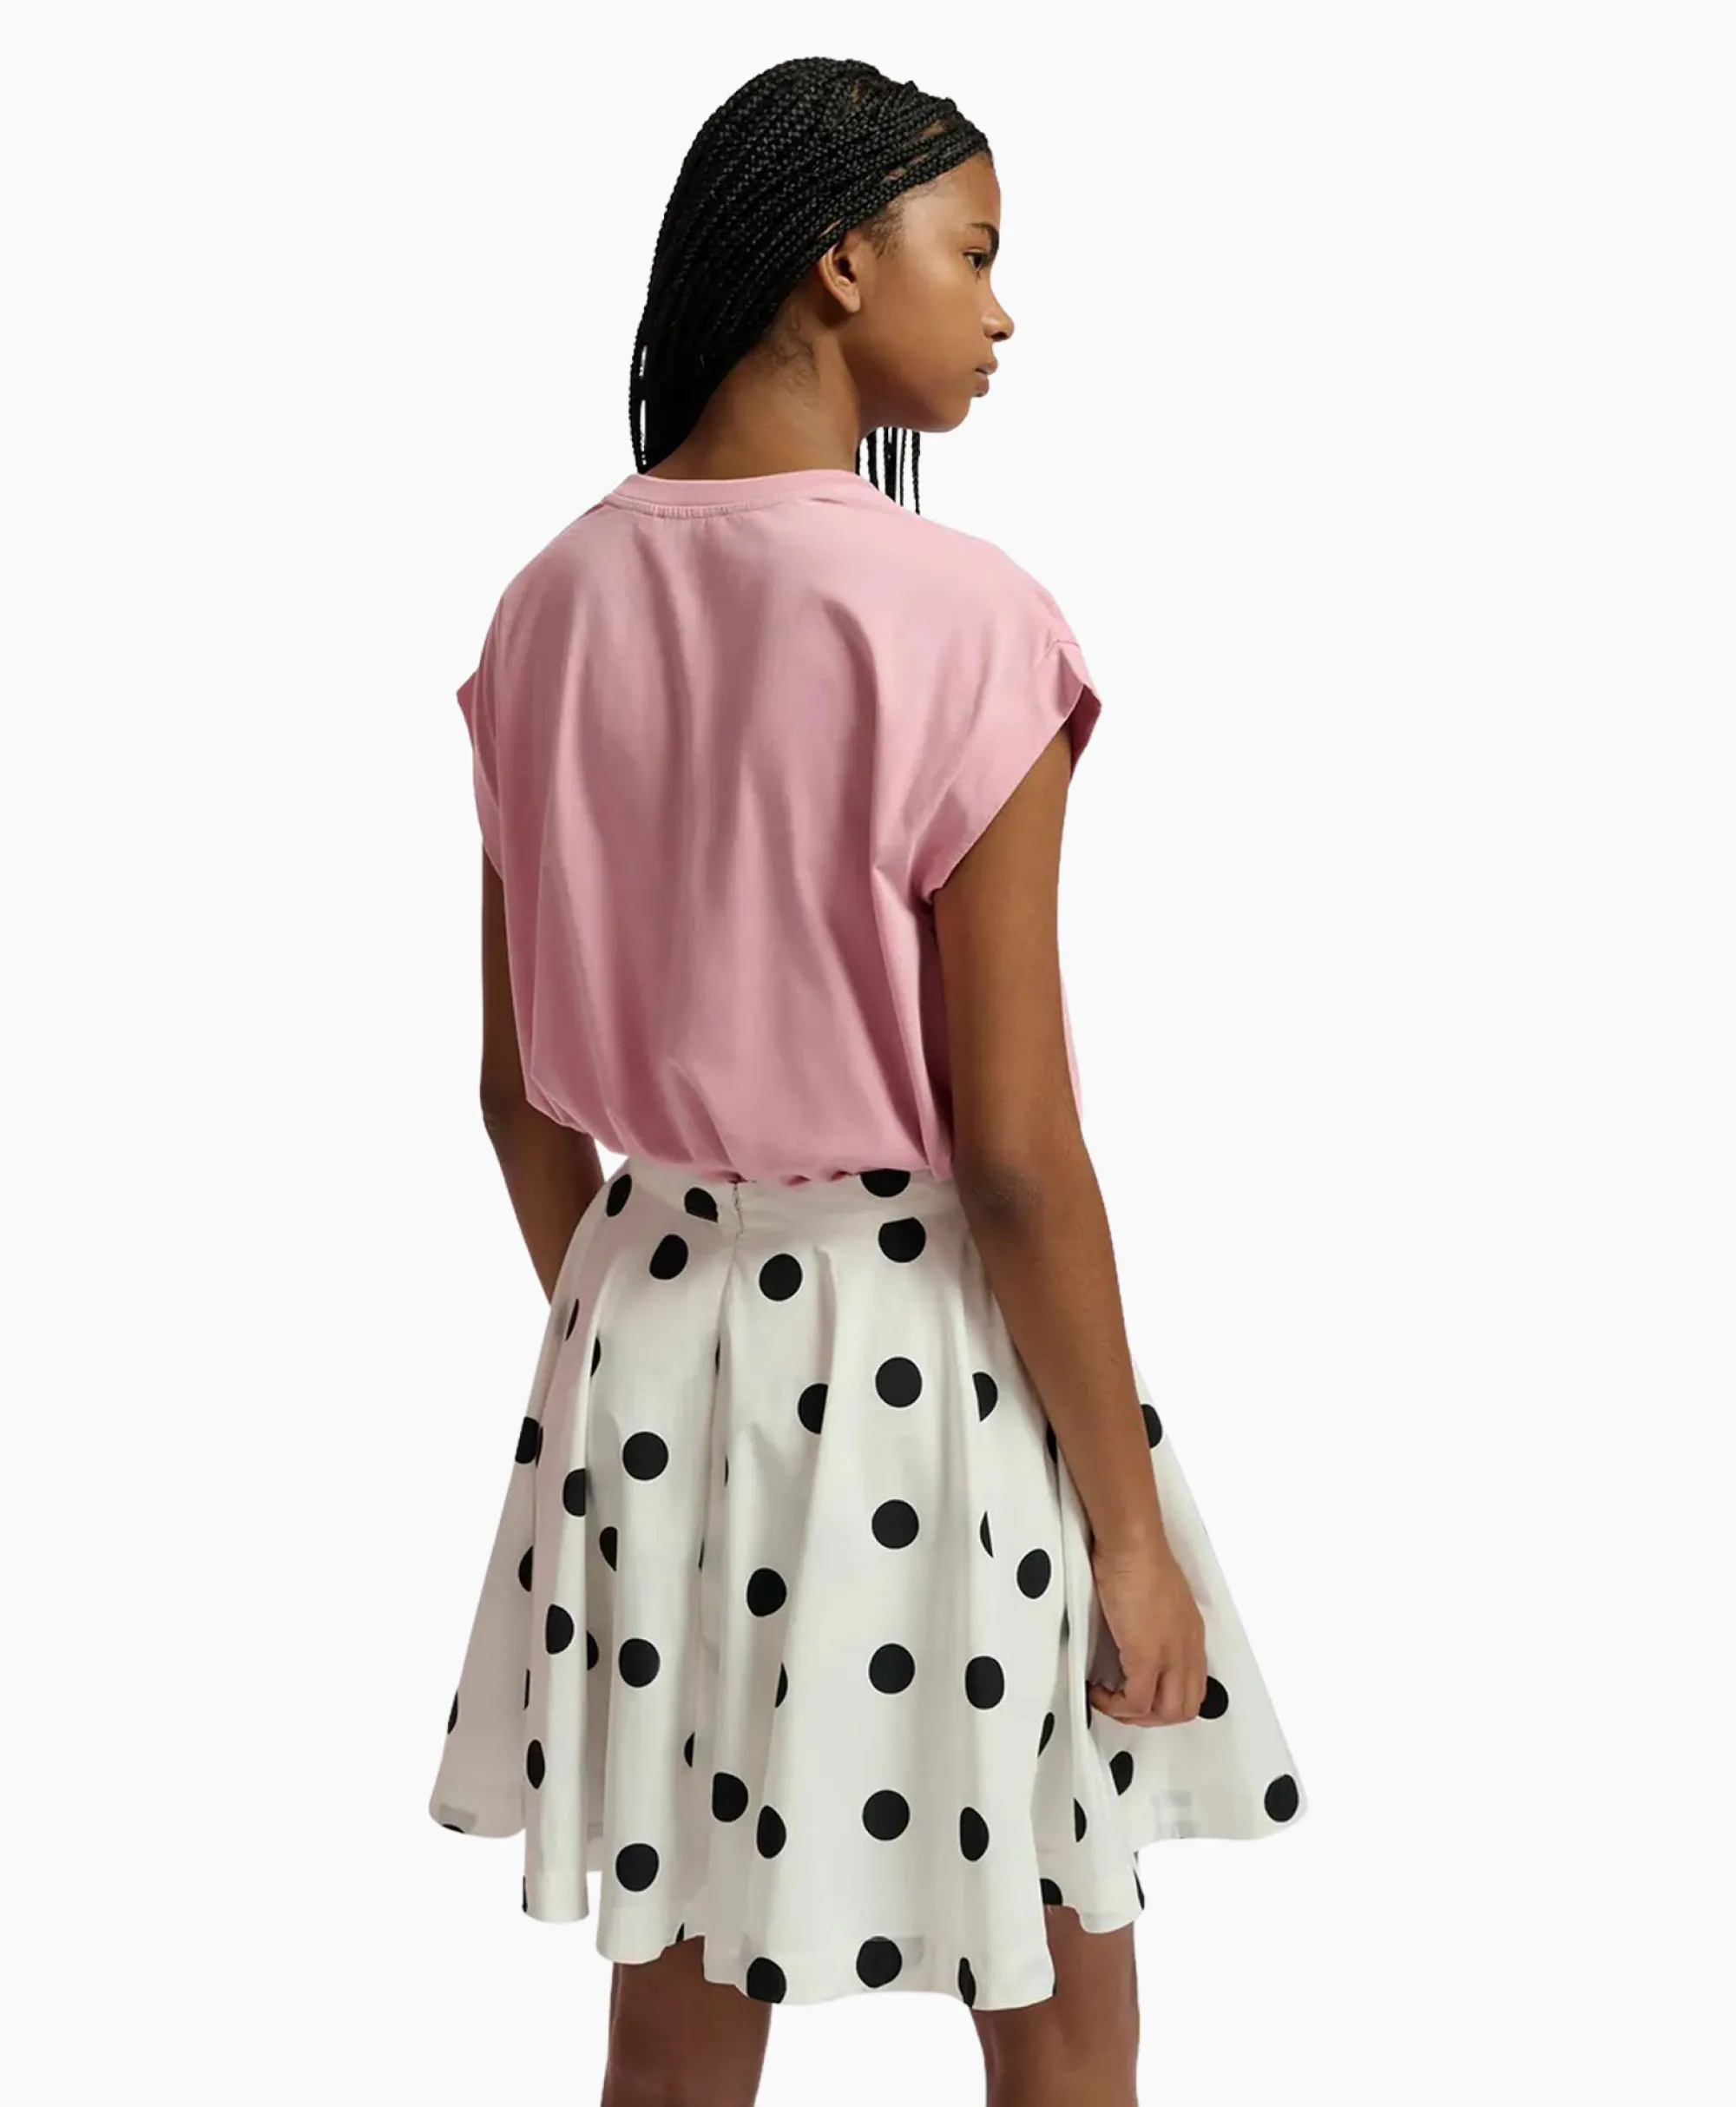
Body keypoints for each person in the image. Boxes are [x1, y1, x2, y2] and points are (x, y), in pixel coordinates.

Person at [429, 55, 1306, 2107]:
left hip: (643, 1360)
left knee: (676, 2007)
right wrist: (1129, 1531)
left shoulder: (542, 608)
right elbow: (1013, 1152)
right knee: (1061, 1999)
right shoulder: (962, 618)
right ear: (840, 263)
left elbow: (515, 1094)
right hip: (922, 1354)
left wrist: (656, 1334)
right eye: (973, 254)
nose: (1001, 313)